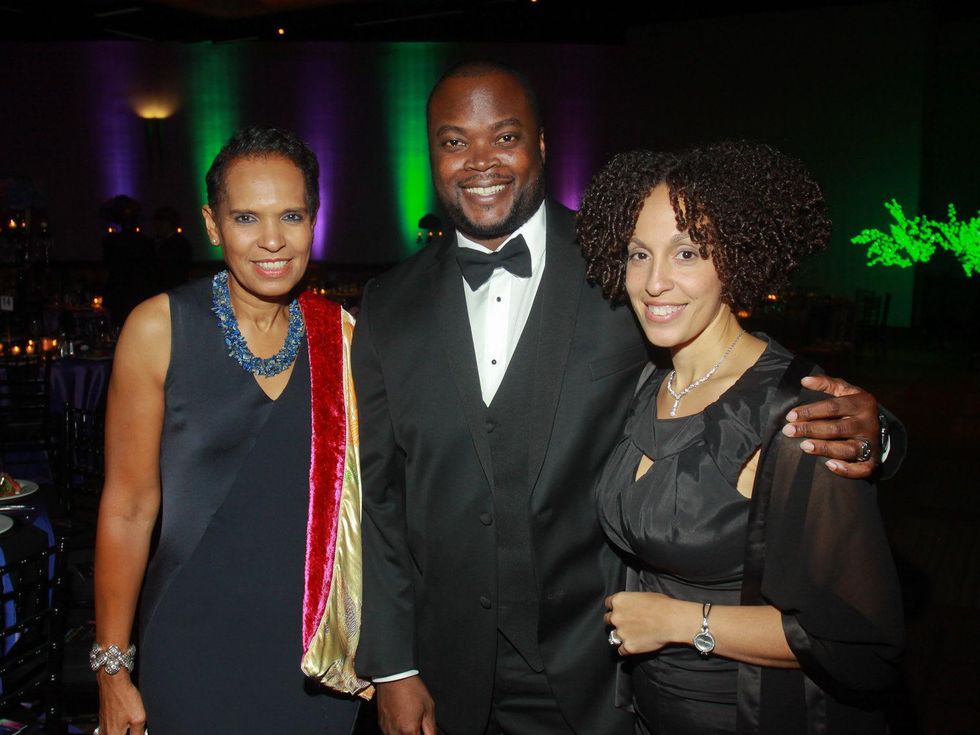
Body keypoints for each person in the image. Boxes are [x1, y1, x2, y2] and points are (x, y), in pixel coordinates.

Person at [352, 60, 901, 735]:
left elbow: (746, 375)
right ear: (432, 153)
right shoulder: (387, 306)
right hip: (444, 669)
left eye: (505, 136)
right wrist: (392, 666)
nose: (481, 160)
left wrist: (876, 436)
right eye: (454, 141)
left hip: (600, 669)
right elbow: (377, 497)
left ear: (541, 144)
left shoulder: (624, 263)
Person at [581, 144, 905, 734]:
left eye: (687, 253)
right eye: (638, 254)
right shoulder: (649, 384)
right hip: (646, 712)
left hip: (744, 716)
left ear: (735, 258)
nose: (655, 282)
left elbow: (858, 642)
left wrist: (682, 622)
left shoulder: (797, 415)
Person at [93, 127, 366, 735]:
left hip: (311, 655)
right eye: (246, 217)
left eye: (291, 216)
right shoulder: (159, 329)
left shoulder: (342, 337)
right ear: (212, 225)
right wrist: (112, 670)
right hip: (190, 641)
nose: (272, 240)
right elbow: (128, 509)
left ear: (314, 219)